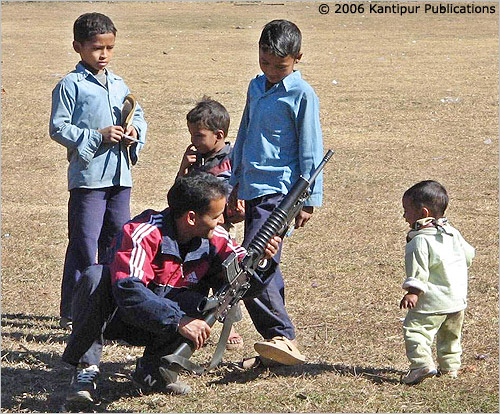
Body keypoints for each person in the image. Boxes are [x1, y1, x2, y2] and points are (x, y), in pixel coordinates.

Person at [61, 173, 281, 403]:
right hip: (120, 317)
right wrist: (179, 321)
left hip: (163, 322)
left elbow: (243, 281)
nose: (220, 222)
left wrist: (263, 262)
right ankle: (86, 369)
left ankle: (154, 371)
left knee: (205, 303)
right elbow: (128, 291)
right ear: (191, 218)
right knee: (95, 277)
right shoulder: (143, 231)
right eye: (216, 216)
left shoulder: (217, 237)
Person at [228, 19, 324, 367]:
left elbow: (311, 148)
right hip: (252, 187)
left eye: (279, 67)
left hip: (281, 193)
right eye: (264, 62)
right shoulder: (256, 87)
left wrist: (309, 199)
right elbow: (244, 133)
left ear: (298, 58)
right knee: (265, 265)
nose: (270, 71)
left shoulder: (302, 94)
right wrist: (234, 181)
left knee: (253, 264)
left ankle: (281, 337)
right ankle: (277, 348)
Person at [49, 12, 147, 331]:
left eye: (109, 47)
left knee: (117, 240)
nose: (103, 54)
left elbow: (137, 116)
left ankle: (107, 306)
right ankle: (73, 310)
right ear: (78, 47)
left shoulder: (119, 84)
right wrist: (96, 136)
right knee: (83, 242)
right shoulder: (70, 85)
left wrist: (134, 132)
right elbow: (58, 127)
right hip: (88, 179)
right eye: (96, 48)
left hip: (120, 177)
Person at [177, 97, 246, 349]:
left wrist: (237, 210)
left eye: (199, 136)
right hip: (195, 231)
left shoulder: (233, 159)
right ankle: (193, 318)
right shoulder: (197, 160)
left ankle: (229, 324)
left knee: (222, 275)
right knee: (193, 275)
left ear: (219, 135)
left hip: (220, 231)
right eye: (191, 135)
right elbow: (178, 195)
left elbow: (239, 194)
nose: (193, 141)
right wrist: (184, 168)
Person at [399, 180, 475, 385]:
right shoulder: (452, 232)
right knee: (450, 336)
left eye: (406, 211)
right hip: (456, 300)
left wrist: (413, 292)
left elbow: (418, 271)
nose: (404, 216)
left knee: (416, 330)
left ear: (423, 213)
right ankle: (450, 367)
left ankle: (421, 365)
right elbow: (469, 256)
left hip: (433, 302)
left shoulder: (419, 240)